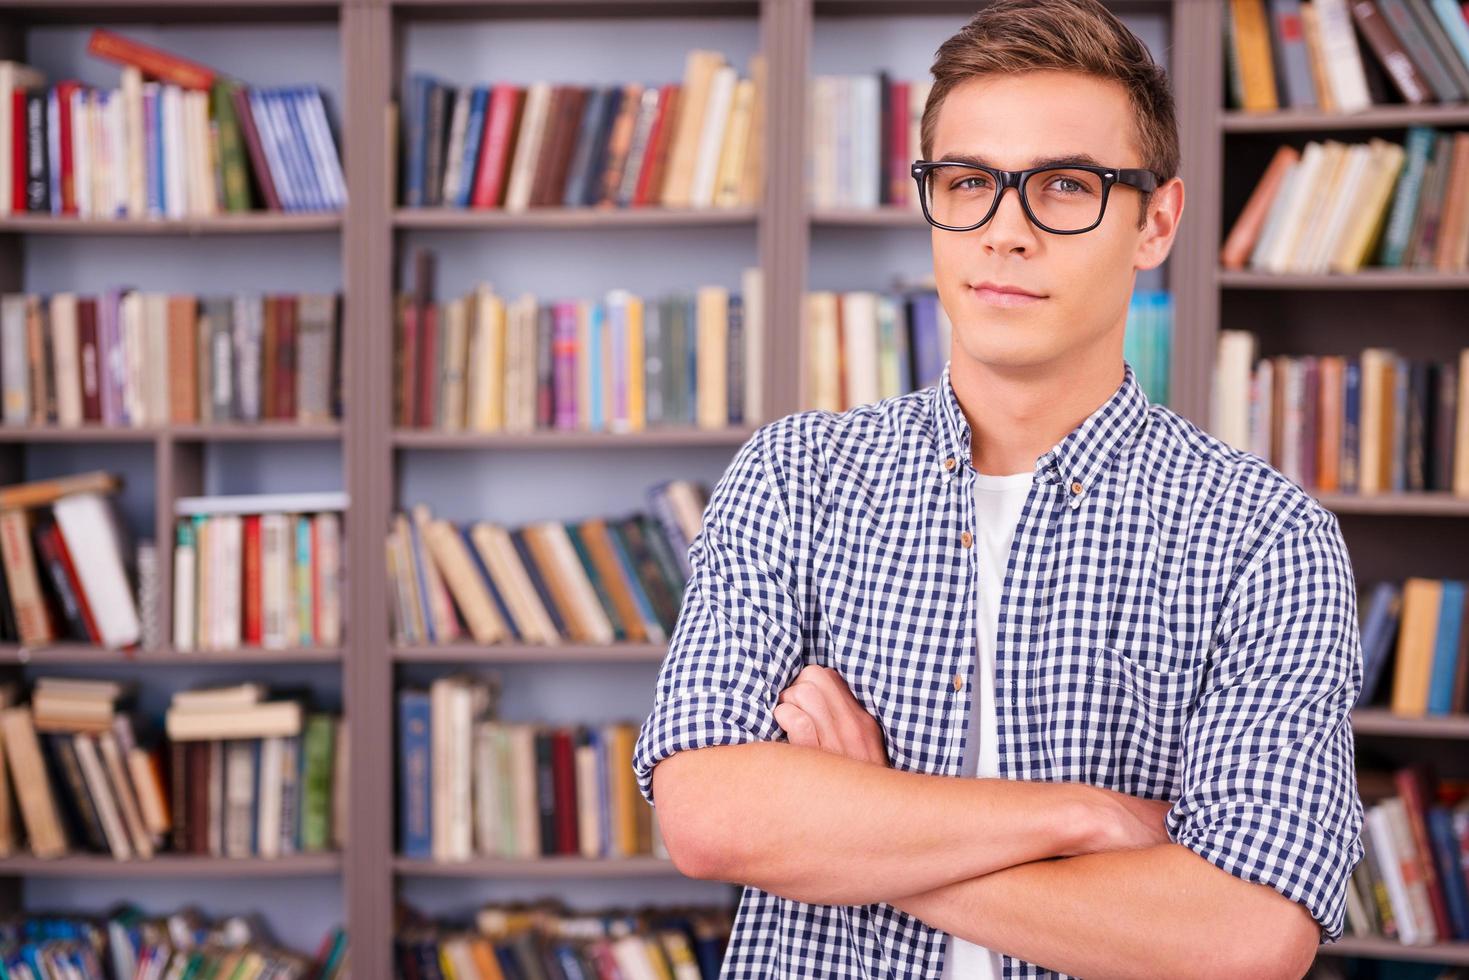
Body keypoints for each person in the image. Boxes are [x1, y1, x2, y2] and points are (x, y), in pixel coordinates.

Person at [632, 0, 1365, 976]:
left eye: (1064, 185)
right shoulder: (792, 476)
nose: (1004, 232)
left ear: (1154, 220)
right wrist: (1081, 815)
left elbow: (1240, 938)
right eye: (968, 181)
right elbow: (710, 817)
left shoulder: (1264, 537)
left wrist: (858, 826)